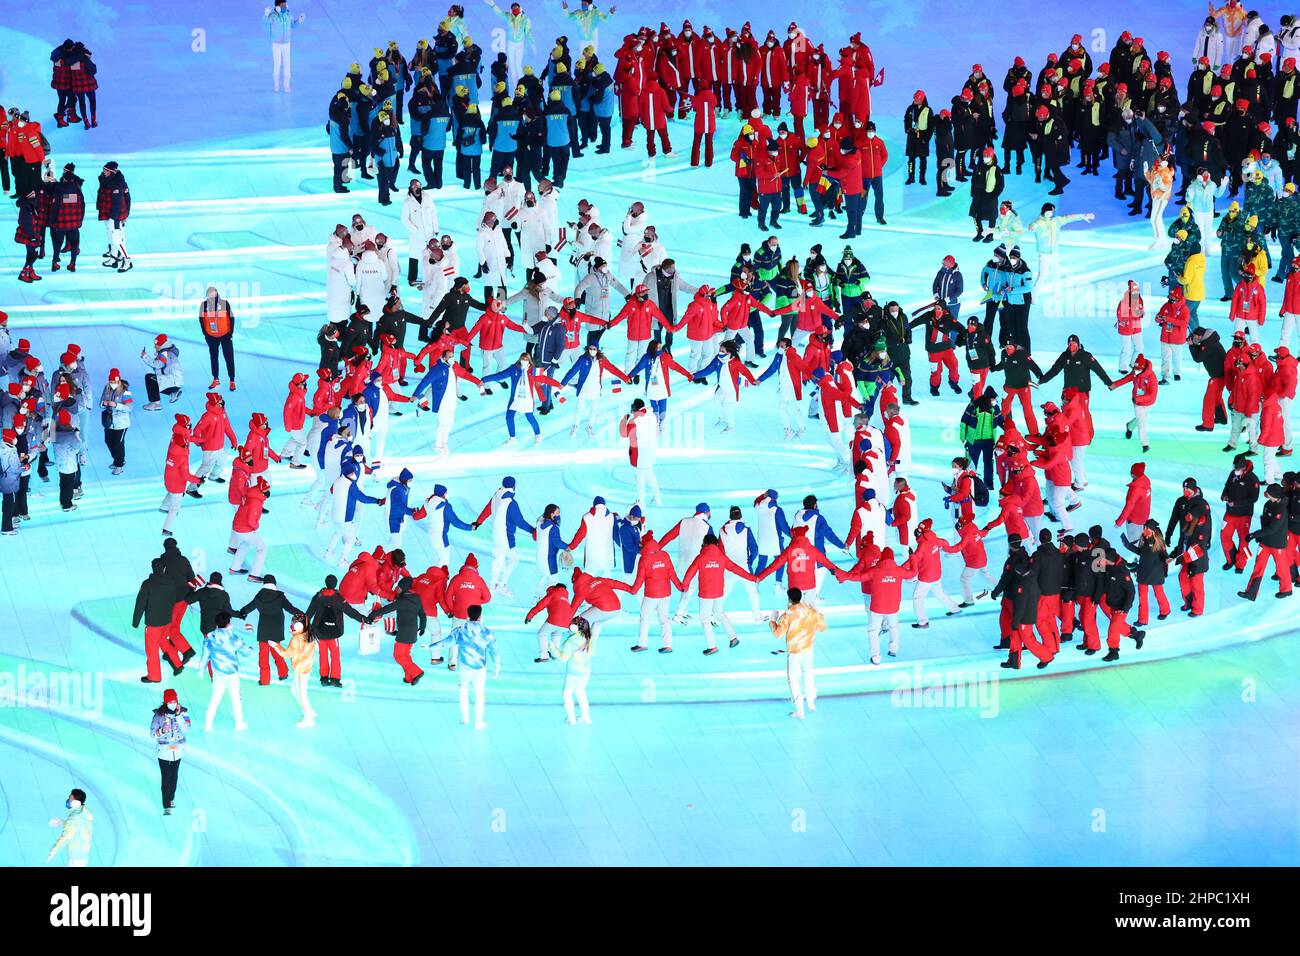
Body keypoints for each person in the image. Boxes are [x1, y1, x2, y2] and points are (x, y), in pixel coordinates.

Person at [434, 604, 501, 728]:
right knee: (480, 694)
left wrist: (431, 646)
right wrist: (497, 664)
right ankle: (479, 721)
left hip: (464, 667)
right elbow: (494, 650)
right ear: (480, 616)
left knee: (463, 691)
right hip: (480, 668)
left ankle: (464, 718)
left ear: (468, 615)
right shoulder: (486, 632)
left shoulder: (460, 631)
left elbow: (447, 642)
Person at [768, 587, 825, 718]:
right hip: (808, 649)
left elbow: (778, 634)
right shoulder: (810, 611)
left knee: (793, 680)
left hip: (794, 652)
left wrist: (772, 621)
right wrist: (817, 612)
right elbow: (822, 627)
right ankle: (811, 702)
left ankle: (799, 710)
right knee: (808, 674)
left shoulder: (787, 614)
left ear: (789, 599)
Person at [195, 611, 251, 732]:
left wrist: (201, 670)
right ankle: (239, 723)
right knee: (236, 699)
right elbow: (245, 652)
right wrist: (250, 650)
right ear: (228, 624)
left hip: (218, 674)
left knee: (215, 699)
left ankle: (208, 725)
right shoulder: (233, 638)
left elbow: (205, 656)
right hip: (232, 674)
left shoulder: (210, 638)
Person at [550, 615, 596, 724]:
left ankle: (571, 719)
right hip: (585, 671)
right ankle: (586, 717)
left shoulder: (570, 642)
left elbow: (563, 658)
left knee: (567, 693)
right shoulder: (590, 639)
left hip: (573, 672)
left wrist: (553, 648)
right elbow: (592, 653)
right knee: (581, 692)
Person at [150, 689, 190, 815]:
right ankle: (166, 804)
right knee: (166, 777)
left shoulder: (183, 713)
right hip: (163, 751)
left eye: (174, 701)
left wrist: (178, 717)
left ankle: (171, 797)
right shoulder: (158, 716)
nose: (172, 703)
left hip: (178, 750)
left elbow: (186, 728)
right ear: (166, 702)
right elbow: (152, 734)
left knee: (174, 776)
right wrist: (162, 731)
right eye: (170, 701)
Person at [263, 0, 305, 93]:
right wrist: (266, 15)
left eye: (285, 5)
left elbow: (293, 25)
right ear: (277, 6)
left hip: (287, 43)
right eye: (282, 5)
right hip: (276, 44)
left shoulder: (288, 14)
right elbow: (264, 23)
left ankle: (287, 85)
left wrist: (299, 20)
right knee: (277, 64)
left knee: (287, 64)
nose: (285, 7)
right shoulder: (272, 15)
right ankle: (276, 85)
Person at [199, 287, 236, 391]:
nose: (211, 294)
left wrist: (230, 333)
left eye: (213, 292)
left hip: (225, 336)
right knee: (213, 358)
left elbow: (232, 318)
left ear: (216, 293)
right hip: (211, 337)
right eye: (209, 293)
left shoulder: (224, 303)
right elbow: (201, 320)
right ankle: (215, 379)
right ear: (207, 294)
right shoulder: (204, 305)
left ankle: (232, 380)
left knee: (229, 357)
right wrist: (205, 334)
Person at [46, 788, 93, 866]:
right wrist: (63, 823)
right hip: (82, 854)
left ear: (75, 803)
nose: (68, 800)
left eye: (70, 798)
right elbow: (77, 827)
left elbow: (66, 837)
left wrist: (53, 851)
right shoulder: (83, 812)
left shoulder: (74, 818)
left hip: (76, 857)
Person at [99, 367, 132, 474]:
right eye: (111, 381)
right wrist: (103, 404)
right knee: (108, 441)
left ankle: (119, 465)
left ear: (119, 381)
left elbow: (129, 408)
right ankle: (118, 460)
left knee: (118, 444)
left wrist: (116, 405)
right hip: (109, 422)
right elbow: (101, 402)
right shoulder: (107, 388)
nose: (113, 383)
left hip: (121, 424)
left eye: (115, 381)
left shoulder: (125, 392)